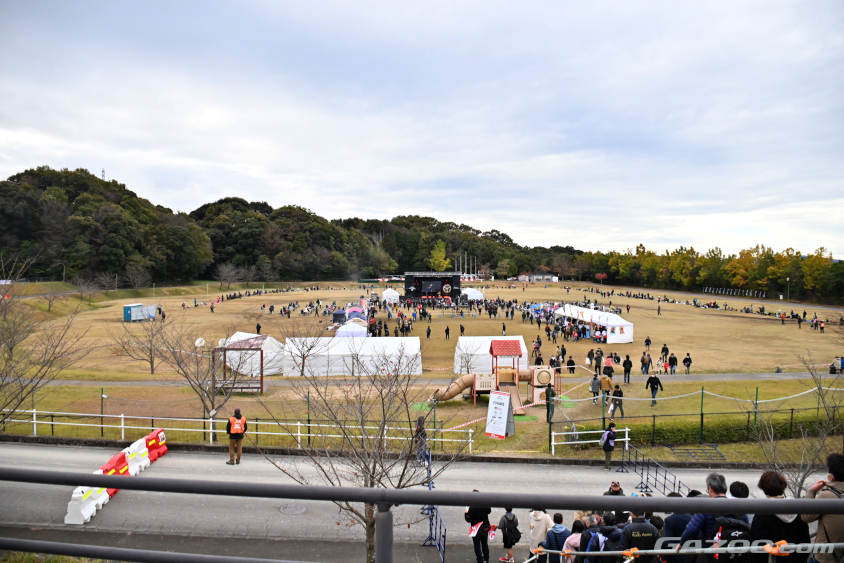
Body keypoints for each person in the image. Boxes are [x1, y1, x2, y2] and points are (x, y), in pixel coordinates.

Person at [678, 473, 749, 554]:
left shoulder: (705, 508)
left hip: (711, 554)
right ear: (725, 488)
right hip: (733, 555)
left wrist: (681, 543)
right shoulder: (739, 508)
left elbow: (691, 530)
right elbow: (747, 528)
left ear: (710, 489)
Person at [749, 471, 810, 563]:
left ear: (763, 488)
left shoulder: (762, 513)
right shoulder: (797, 510)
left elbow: (758, 546)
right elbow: (805, 542)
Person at [801, 453, 844, 563]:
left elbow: (806, 517)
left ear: (831, 475)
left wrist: (811, 491)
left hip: (827, 558)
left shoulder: (827, 495)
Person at [662, 491, 695, 563]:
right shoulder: (692, 518)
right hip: (690, 556)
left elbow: (667, 542)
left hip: (674, 557)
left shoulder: (669, 520)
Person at [466, 490, 492, 563]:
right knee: (484, 544)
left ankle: (480, 560)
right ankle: (486, 559)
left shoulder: (472, 507)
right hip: (485, 527)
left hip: (476, 529)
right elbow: (489, 511)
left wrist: (466, 513)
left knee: (477, 545)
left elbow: (469, 519)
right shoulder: (483, 504)